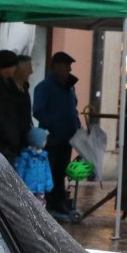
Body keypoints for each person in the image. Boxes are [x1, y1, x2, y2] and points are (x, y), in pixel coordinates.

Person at [33, 51, 82, 222]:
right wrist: (55, 126)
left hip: (67, 139)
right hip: (51, 140)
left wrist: (77, 126)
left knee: (61, 172)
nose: (69, 69)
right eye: (66, 65)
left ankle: (59, 202)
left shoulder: (69, 87)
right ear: (56, 67)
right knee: (50, 173)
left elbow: (73, 109)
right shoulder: (44, 87)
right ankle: (48, 204)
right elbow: (38, 111)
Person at [15, 127, 54, 204]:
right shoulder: (25, 156)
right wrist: (18, 184)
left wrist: (49, 184)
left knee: (40, 205)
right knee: (28, 204)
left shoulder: (44, 156)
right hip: (28, 188)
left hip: (40, 189)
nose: (46, 142)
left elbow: (47, 171)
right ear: (37, 141)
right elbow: (20, 171)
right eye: (44, 140)